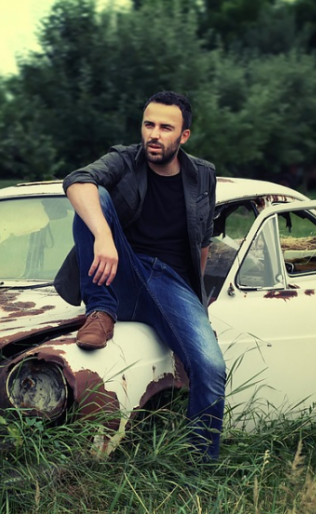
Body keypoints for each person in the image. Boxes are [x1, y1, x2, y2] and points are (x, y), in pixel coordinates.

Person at [53, 91, 226, 462]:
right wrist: (103, 236)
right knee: (93, 195)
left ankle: (201, 467)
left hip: (172, 285)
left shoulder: (203, 175)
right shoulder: (124, 160)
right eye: (149, 124)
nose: (155, 134)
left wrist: (197, 307)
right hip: (124, 271)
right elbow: (76, 181)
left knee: (211, 367)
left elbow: (203, 243)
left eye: (166, 127)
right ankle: (100, 310)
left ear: (184, 136)